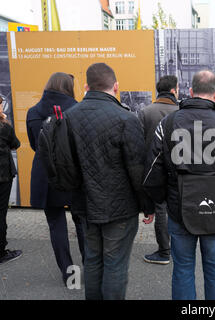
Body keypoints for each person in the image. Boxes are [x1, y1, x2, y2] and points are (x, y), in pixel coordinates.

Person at [143, 70, 215, 300]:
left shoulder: (167, 124)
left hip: (179, 208)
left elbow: (152, 170)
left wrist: (161, 200)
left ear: (190, 92)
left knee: (182, 271)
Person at [65, 63, 151, 300]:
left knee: (92, 260)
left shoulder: (69, 117)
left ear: (86, 87)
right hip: (120, 207)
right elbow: (137, 170)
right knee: (115, 263)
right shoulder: (126, 119)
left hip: (85, 204)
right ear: (116, 87)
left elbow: (66, 163)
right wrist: (148, 205)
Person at [25, 72, 85, 285]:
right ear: (69, 87)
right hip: (74, 174)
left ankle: (70, 276)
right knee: (82, 222)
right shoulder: (79, 110)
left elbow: (35, 145)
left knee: (56, 225)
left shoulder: (33, 113)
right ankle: (92, 268)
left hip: (46, 174)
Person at [138, 75, 179, 265]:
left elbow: (138, 143)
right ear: (173, 91)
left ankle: (164, 251)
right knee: (178, 207)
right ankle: (181, 248)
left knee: (160, 209)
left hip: (155, 168)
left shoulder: (145, 112)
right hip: (178, 168)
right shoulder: (181, 111)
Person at [0, 96, 22, 265]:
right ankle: (1, 251)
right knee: (1, 214)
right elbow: (16, 144)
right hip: (2, 176)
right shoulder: (4, 127)